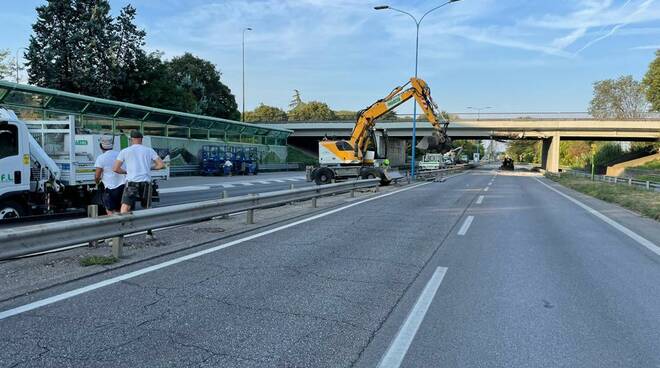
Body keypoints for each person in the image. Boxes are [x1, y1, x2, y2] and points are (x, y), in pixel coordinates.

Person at [112, 130, 165, 215]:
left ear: (131, 139)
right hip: (146, 183)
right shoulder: (149, 150)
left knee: (125, 206)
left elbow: (115, 168)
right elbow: (161, 165)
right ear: (141, 139)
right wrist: (149, 168)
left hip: (132, 182)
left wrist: (126, 172)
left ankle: (124, 225)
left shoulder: (125, 151)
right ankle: (147, 227)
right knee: (147, 207)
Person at [94, 136, 125, 215]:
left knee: (110, 210)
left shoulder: (101, 158)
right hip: (122, 186)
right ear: (112, 146)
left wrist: (97, 182)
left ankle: (113, 225)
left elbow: (97, 175)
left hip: (109, 187)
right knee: (119, 209)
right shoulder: (119, 155)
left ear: (101, 146)